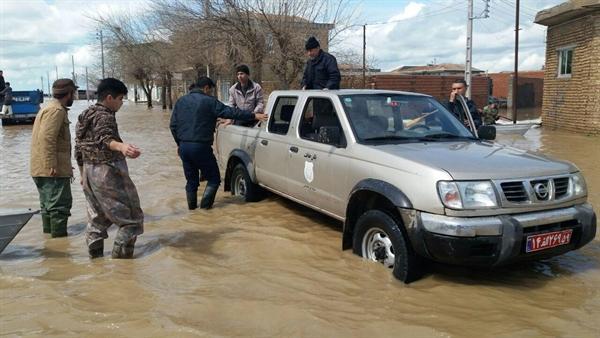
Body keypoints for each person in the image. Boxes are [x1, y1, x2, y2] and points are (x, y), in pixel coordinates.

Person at [170, 76, 268, 210]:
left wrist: (179, 143)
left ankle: (192, 211)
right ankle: (205, 210)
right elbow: (231, 112)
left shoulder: (181, 101)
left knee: (191, 181)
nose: (210, 93)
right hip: (201, 147)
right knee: (214, 179)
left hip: (184, 147)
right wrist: (253, 115)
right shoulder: (209, 101)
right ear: (206, 88)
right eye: (210, 90)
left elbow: (173, 126)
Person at [74, 78, 144, 259]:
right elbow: (104, 138)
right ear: (110, 97)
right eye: (121, 99)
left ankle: (97, 264)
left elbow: (78, 146)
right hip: (107, 171)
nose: (121, 103)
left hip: (89, 172)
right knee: (131, 220)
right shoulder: (105, 115)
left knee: (97, 219)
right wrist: (122, 147)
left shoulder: (84, 114)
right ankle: (123, 268)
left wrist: (82, 174)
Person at [30, 79, 77, 237]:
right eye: (74, 93)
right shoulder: (56, 111)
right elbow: (47, 138)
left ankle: (50, 243)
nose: (75, 96)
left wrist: (64, 164)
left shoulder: (49, 108)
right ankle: (60, 243)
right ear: (69, 93)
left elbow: (55, 142)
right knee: (59, 208)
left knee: (48, 208)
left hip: (43, 168)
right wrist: (52, 164)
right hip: (51, 171)